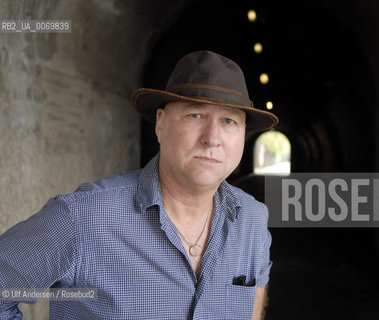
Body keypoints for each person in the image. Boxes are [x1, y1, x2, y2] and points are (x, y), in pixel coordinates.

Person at [0, 50, 279, 319]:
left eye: (229, 121)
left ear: (243, 136)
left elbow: (253, 304)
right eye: (195, 115)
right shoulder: (83, 218)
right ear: (160, 123)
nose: (212, 137)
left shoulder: (252, 220)